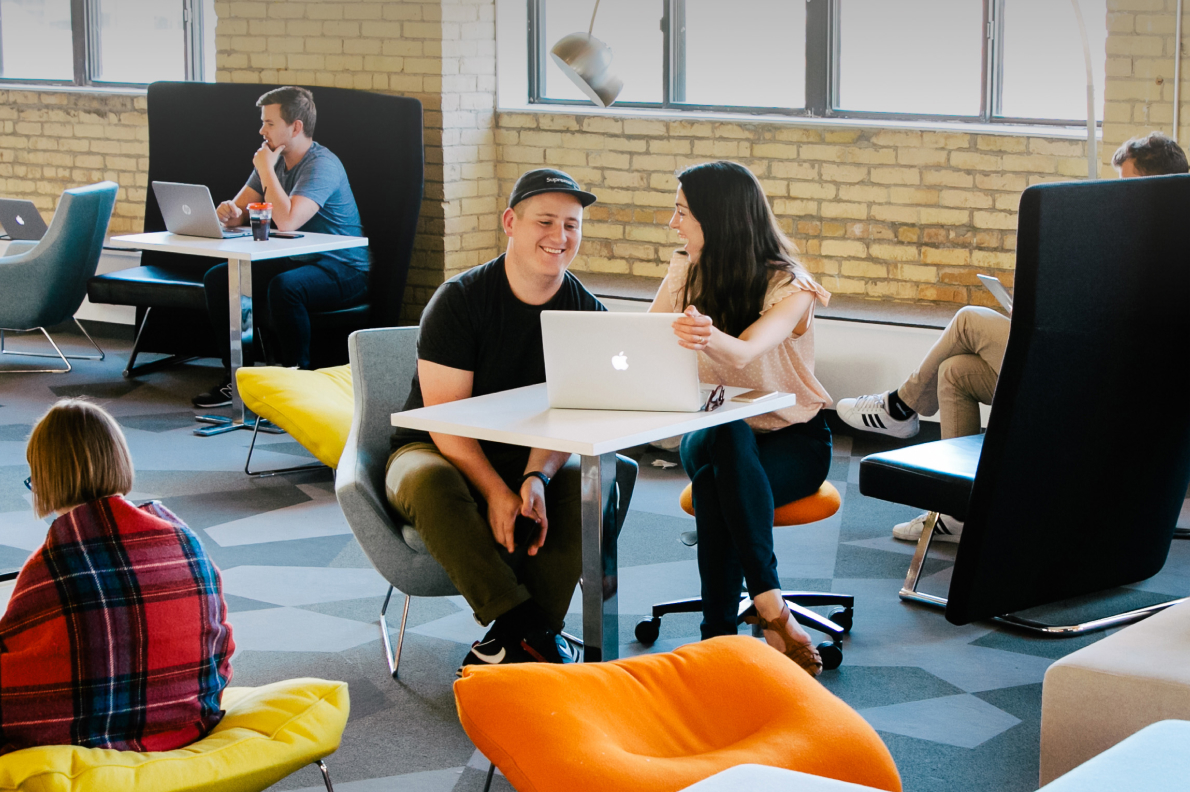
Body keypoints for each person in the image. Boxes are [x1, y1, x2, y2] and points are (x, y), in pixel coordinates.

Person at [837, 130, 1189, 545]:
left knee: (969, 319)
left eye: (1126, 185)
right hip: (1074, 361)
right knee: (955, 373)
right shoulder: (1131, 238)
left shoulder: (1168, 248)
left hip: (1100, 389)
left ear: (1158, 186)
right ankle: (957, 512)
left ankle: (902, 405)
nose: (1119, 196)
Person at [386, 168, 607, 670]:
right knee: (429, 481)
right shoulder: (460, 300)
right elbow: (445, 422)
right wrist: (494, 489)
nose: (560, 237)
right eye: (545, 221)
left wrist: (536, 477)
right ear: (511, 222)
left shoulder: (586, 313)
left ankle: (515, 642)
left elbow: (570, 415)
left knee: (598, 481)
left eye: (572, 225)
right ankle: (526, 628)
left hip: (524, 454)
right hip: (435, 448)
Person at [649, 161, 833, 677]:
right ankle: (771, 607)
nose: (673, 223)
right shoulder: (686, 268)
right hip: (712, 433)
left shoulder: (792, 286)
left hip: (792, 439)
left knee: (715, 488)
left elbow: (745, 354)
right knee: (725, 430)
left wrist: (705, 333)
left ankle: (717, 641)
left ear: (720, 219)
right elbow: (647, 341)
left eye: (682, 213)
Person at [0, 399, 234, 754]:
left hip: (92, 737)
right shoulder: (182, 536)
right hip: (186, 721)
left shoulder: (54, 564)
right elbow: (218, 639)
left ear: (47, 478)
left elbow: (18, 653)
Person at [193, 86, 369, 409]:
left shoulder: (322, 165)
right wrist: (228, 213)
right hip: (298, 260)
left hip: (344, 267)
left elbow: (287, 221)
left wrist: (264, 169)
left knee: (285, 288)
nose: (262, 131)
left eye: (269, 123)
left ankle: (298, 391)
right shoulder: (271, 160)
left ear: (296, 127)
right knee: (220, 279)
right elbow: (239, 211)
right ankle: (238, 381)